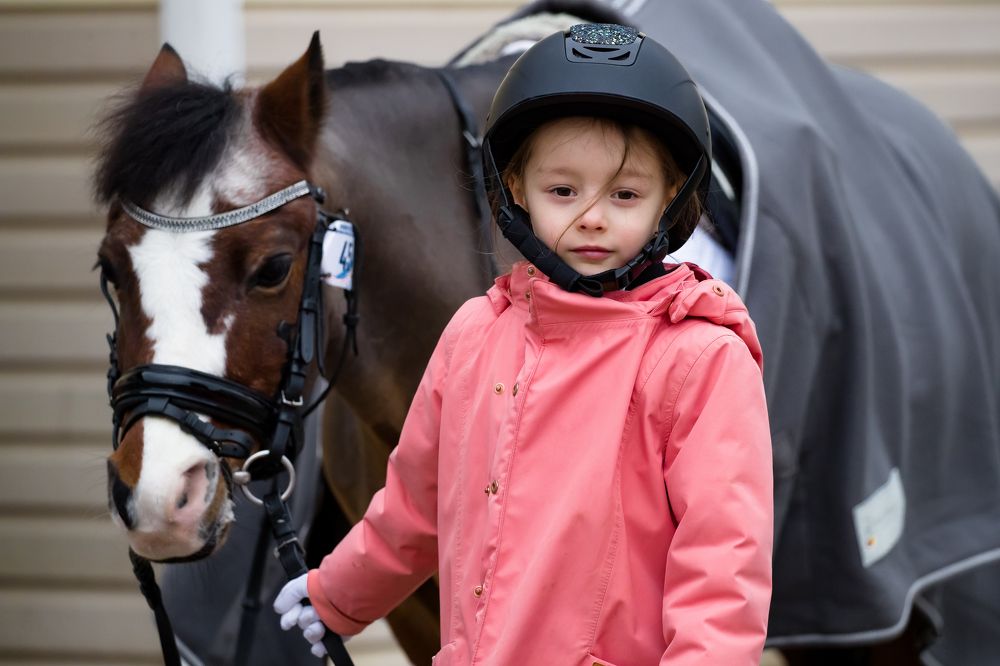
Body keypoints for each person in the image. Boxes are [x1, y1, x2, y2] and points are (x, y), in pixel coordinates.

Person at [274, 24, 773, 665]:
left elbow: (722, 573)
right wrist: (339, 594)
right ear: (516, 190)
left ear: (669, 201)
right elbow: (415, 506)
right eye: (563, 191)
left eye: (625, 194)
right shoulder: (474, 335)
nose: (592, 217)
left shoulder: (699, 361)